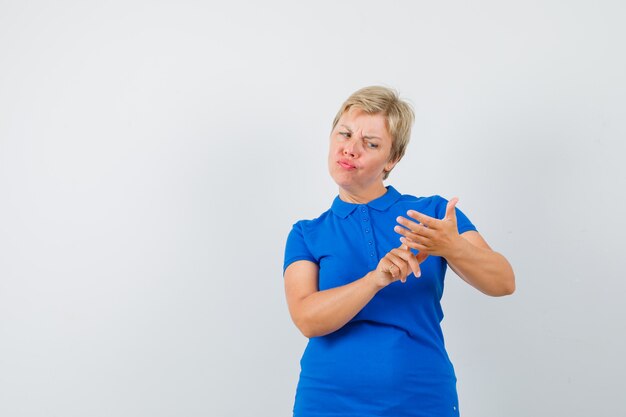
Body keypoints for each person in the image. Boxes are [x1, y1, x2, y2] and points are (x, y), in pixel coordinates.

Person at [282, 86, 515, 417]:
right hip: (327, 401)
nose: (350, 149)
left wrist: (452, 246)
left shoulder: (433, 214)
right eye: (344, 134)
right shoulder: (307, 233)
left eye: (371, 144)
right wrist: (375, 279)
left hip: (421, 399)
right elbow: (307, 319)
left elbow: (503, 282)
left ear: (392, 159)